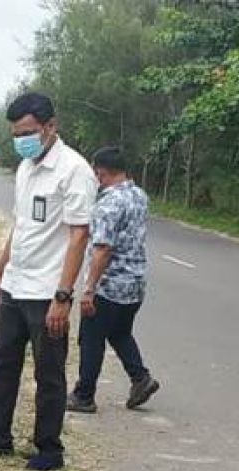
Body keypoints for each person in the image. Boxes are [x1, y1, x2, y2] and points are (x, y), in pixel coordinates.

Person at [0, 92, 96, 471]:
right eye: (16, 133)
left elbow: (79, 235)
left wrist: (63, 297)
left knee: (48, 373)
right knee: (2, 364)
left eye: (28, 132)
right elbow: (22, 225)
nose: (21, 139)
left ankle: (48, 449)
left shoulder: (75, 171)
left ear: (50, 127)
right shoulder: (27, 166)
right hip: (16, 284)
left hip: (48, 291)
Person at [67, 147, 160, 413]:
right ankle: (140, 378)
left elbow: (102, 249)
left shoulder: (108, 203)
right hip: (135, 282)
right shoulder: (138, 195)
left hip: (110, 284)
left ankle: (84, 395)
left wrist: (89, 290)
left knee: (91, 337)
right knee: (119, 332)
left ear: (100, 172)